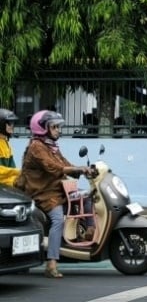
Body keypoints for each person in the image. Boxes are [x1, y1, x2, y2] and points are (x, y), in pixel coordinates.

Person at [16, 110, 95, 279]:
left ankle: (89, 231)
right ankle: (51, 263)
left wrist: (84, 170)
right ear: (42, 128)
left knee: (86, 196)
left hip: (58, 189)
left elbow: (64, 164)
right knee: (58, 219)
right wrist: (77, 169)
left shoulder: (51, 146)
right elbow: (54, 167)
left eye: (58, 126)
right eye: (54, 127)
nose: (58, 130)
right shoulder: (36, 147)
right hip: (42, 192)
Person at [0, 108, 19, 186]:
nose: (12, 126)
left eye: (13, 123)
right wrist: (17, 172)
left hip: (6, 181)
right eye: (9, 123)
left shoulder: (5, 142)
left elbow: (12, 166)